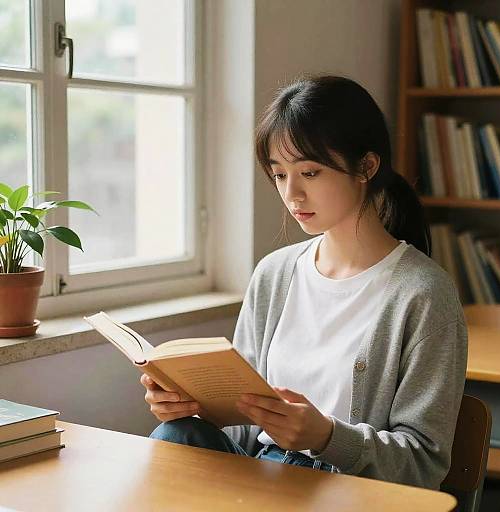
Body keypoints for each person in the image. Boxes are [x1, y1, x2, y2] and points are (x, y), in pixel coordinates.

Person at [141, 75, 468, 490]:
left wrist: (328, 438)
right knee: (176, 437)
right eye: (279, 175)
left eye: (309, 172)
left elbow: (424, 464)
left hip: (347, 493)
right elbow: (243, 429)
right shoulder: (274, 274)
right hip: (263, 477)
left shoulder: (423, 294)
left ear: (366, 166)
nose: (291, 193)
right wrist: (191, 407)